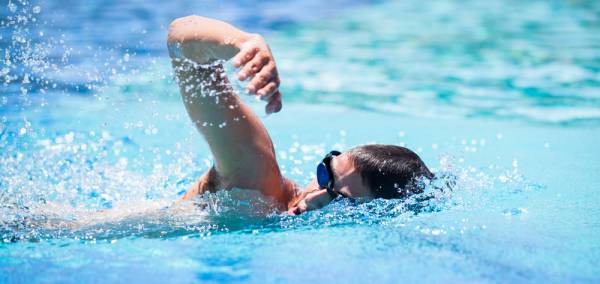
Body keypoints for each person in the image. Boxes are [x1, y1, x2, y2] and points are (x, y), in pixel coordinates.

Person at [167, 16, 433, 215]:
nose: (313, 196)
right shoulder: (256, 183)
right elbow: (180, 39)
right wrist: (243, 43)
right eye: (324, 175)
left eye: (337, 199)